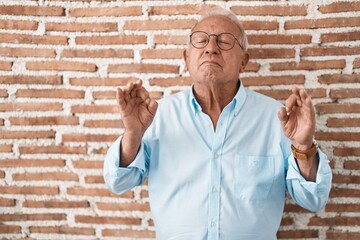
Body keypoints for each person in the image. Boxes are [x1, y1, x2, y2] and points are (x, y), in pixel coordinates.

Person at [104, 7, 332, 240]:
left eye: (224, 41)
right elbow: (118, 182)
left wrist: (304, 146)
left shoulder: (280, 119)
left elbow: (313, 199)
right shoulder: (155, 116)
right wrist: (133, 133)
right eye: (201, 40)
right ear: (187, 58)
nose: (211, 48)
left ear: (244, 61)